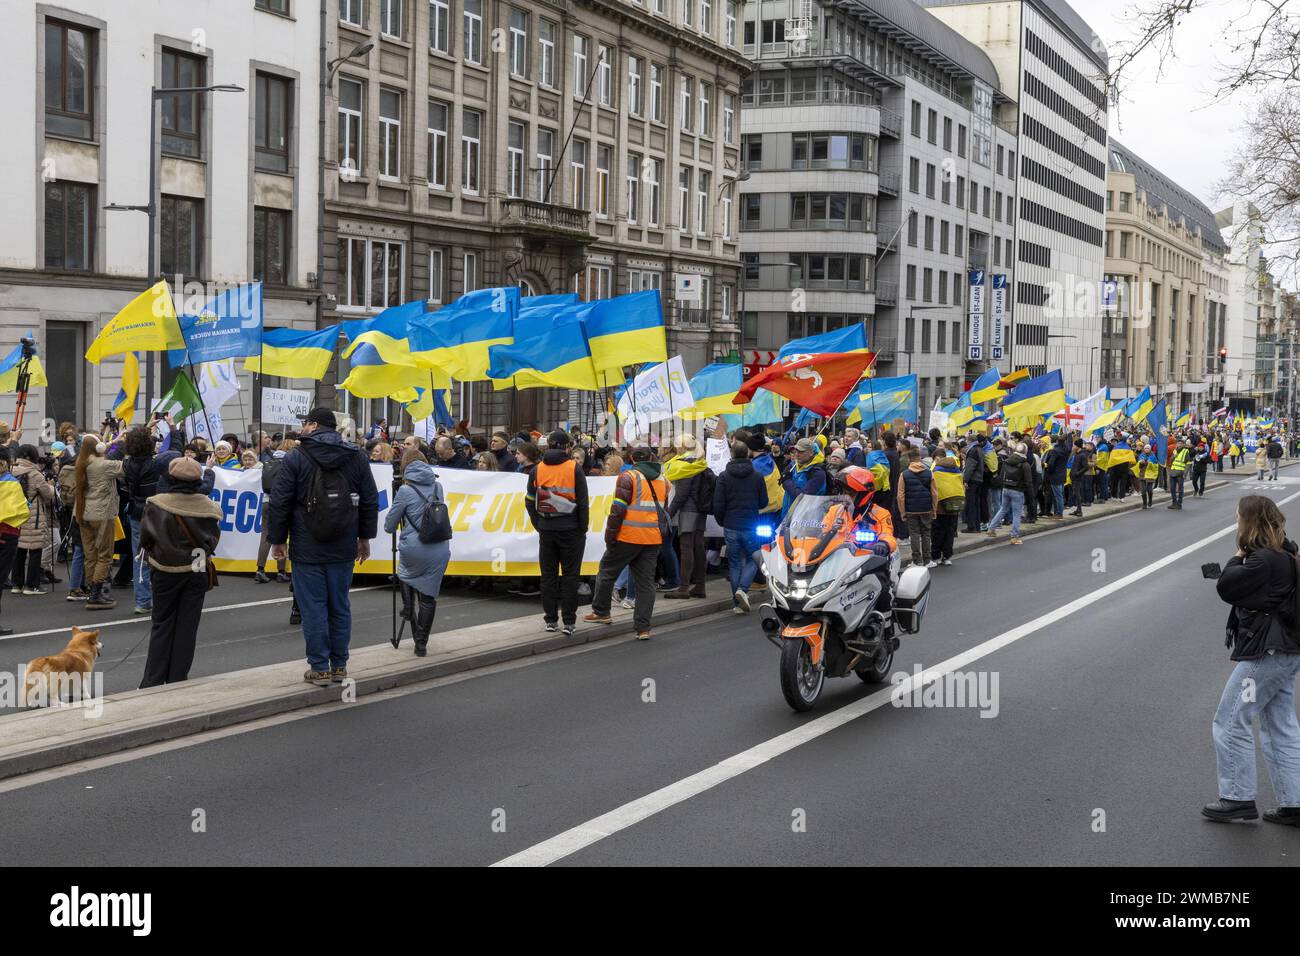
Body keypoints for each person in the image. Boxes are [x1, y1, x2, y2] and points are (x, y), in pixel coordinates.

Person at [1204, 495, 1300, 824]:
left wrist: (1236, 558)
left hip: (1266, 649)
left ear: (1250, 521)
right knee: (1280, 726)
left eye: (1238, 517)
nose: (1236, 522)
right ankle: (1294, 803)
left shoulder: (1262, 560)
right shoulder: (1287, 553)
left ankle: (1237, 796)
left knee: (1231, 718)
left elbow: (1229, 587)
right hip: (1287, 649)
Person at [266, 407, 379, 687]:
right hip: (344, 542)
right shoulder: (356, 456)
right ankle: (339, 666)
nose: (303, 428)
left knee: (313, 607)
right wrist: (364, 537)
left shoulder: (296, 456)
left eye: (306, 424)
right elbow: (369, 499)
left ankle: (319, 668)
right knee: (339, 605)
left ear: (314, 426)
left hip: (307, 544)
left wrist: (278, 540)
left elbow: (280, 501)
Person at [136, 456, 222, 687]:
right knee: (187, 625)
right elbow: (212, 541)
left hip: (164, 566)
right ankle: (177, 677)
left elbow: (145, 538)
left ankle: (152, 680)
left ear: (170, 478)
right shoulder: (210, 507)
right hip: (196, 566)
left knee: (162, 623)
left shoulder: (156, 503)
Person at [583, 445, 669, 640]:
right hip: (652, 538)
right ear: (652, 457)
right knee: (645, 583)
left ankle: (602, 612)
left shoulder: (629, 477)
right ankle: (643, 628)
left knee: (606, 571)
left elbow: (618, 510)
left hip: (628, 536)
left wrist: (610, 536)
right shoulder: (664, 480)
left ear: (632, 458)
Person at [385, 450, 450, 657]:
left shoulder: (405, 490)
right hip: (439, 546)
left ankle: (407, 605)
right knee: (428, 597)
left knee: (405, 573)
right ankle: (421, 644)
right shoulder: (437, 487)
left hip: (414, 547)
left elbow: (389, 525)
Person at [526, 430, 590, 636]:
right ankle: (569, 621)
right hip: (571, 529)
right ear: (566, 447)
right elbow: (583, 502)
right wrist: (582, 527)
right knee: (571, 576)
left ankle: (550, 620)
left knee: (548, 575)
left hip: (547, 528)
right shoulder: (574, 468)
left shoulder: (537, 469)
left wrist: (539, 524)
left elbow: (529, 501)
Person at [711, 440, 768, 613]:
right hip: (750, 523)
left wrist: (722, 520)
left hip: (731, 524)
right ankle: (743, 590)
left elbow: (718, 503)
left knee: (735, 562)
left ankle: (737, 603)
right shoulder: (757, 476)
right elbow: (763, 501)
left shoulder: (724, 476)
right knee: (753, 558)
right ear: (748, 453)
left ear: (732, 454)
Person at [73, 433, 124, 610]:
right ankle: (96, 594)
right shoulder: (103, 465)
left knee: (91, 555)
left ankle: (91, 589)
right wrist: (125, 446)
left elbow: (96, 449)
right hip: (102, 514)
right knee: (104, 556)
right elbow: (125, 467)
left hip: (83, 513)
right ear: (98, 447)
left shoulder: (81, 462)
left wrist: (114, 442)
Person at [664, 434, 714, 600]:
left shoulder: (685, 465)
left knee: (686, 548)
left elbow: (682, 494)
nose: (676, 449)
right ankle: (700, 585)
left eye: (677, 446)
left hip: (688, 510)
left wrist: (668, 513)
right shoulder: (700, 461)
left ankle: (684, 587)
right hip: (701, 510)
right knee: (699, 547)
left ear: (682, 447)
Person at [10, 445, 54, 596]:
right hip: (33, 517)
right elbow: (48, 495)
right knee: (35, 551)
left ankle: (16, 583)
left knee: (19, 550)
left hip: (15, 515)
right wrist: (51, 487)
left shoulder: (11, 471)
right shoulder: (35, 474)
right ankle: (32, 585)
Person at [897, 446, 938, 568]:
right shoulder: (929, 473)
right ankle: (927, 560)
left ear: (909, 460)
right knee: (926, 533)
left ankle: (916, 560)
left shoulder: (904, 474)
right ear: (920, 459)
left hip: (911, 509)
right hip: (926, 508)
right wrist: (934, 509)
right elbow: (935, 493)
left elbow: (900, 495)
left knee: (914, 534)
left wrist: (902, 511)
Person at [987, 442, 1032, 545]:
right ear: (1025, 451)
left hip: (1005, 488)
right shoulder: (1025, 464)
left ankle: (991, 529)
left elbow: (1002, 474)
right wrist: (1030, 494)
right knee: (1016, 514)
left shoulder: (1007, 461)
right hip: (1018, 490)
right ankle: (1014, 536)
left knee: (1003, 509)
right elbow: (1028, 481)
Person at [930, 453, 964, 565]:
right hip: (954, 507)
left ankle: (935, 556)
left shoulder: (936, 473)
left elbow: (933, 490)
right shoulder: (958, 473)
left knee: (937, 532)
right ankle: (947, 556)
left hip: (940, 507)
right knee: (950, 532)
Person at [961, 435, 986, 533]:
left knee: (971, 503)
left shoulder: (972, 450)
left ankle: (971, 526)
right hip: (979, 479)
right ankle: (977, 526)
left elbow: (970, 467)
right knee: (976, 503)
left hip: (973, 479)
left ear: (969, 441)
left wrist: (965, 480)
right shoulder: (980, 449)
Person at [1041, 437, 1069, 519]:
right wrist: (1069, 434)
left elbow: (1051, 464)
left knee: (1058, 496)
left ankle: (1059, 513)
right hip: (1062, 474)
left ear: (1057, 441)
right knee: (1060, 495)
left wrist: (1048, 470)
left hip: (1054, 476)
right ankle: (1058, 512)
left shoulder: (1055, 451)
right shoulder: (1066, 450)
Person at [1167, 439, 1190, 510]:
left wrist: (1185, 474)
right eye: (1178, 443)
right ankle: (1174, 503)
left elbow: (1188, 463)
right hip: (1173, 472)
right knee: (1172, 489)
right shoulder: (1175, 451)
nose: (1179, 444)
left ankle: (1179, 504)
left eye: (1180, 443)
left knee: (1180, 489)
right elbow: (1170, 461)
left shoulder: (1185, 451)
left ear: (1183, 444)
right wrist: (1174, 456)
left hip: (1180, 473)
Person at [1137, 444, 1160, 509]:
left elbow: (1155, 466)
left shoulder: (1153, 456)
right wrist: (1141, 463)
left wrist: (1148, 463)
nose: (1146, 449)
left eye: (1148, 448)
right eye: (1145, 448)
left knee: (1149, 490)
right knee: (1143, 490)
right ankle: (1144, 504)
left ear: (1150, 449)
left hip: (1150, 475)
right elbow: (1138, 464)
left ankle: (1150, 500)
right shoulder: (1141, 455)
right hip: (1142, 474)